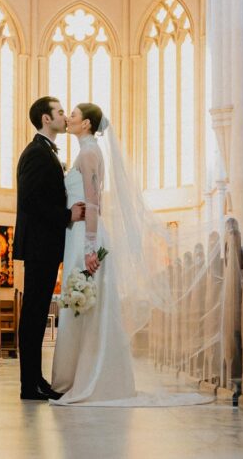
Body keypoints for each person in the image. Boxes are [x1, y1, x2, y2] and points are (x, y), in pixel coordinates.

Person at [50, 103, 212, 407]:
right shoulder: (88, 151)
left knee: (86, 308)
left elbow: (93, 204)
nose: (69, 119)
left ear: (86, 124)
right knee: (85, 307)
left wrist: (90, 248)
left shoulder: (89, 153)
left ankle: (86, 378)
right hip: (82, 235)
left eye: (73, 115)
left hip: (86, 237)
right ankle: (78, 376)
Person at [13, 96, 84, 401]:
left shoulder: (46, 151)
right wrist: (67, 215)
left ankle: (35, 379)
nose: (64, 116)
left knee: (39, 313)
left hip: (44, 245)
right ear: (45, 118)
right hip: (39, 246)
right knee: (33, 314)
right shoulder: (36, 153)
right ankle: (28, 385)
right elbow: (31, 201)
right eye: (59, 112)